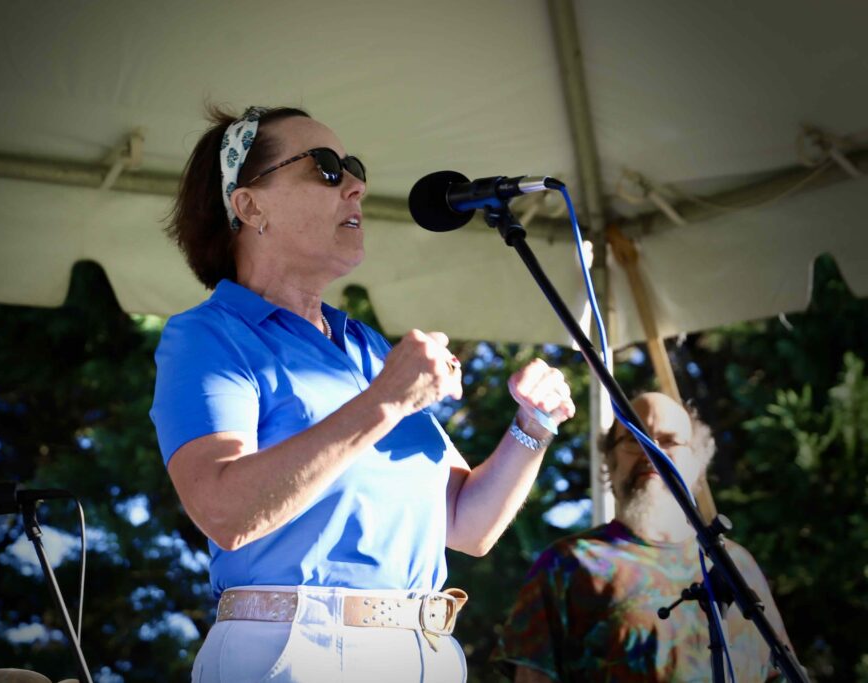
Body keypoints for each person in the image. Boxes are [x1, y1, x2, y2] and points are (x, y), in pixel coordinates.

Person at [149, 105, 576, 682]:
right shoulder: (209, 335)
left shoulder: (366, 345)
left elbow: (466, 524)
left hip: (423, 651)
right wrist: (388, 400)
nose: (356, 185)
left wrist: (533, 425)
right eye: (326, 167)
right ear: (248, 206)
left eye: (355, 168)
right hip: (297, 652)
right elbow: (224, 512)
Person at [496, 392, 795, 682]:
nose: (650, 450)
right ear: (610, 461)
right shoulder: (566, 565)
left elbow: (778, 673)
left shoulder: (737, 566)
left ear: (696, 464)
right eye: (633, 438)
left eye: (669, 440)